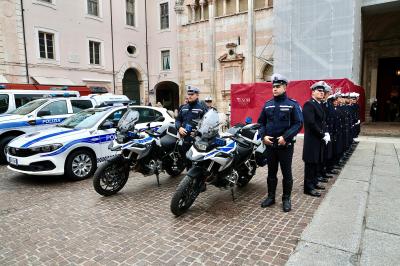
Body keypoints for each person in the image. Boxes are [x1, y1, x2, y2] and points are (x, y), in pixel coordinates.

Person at [258, 73, 303, 212]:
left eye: (278, 86)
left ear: (285, 87)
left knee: (286, 173)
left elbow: (298, 123)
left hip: (285, 145)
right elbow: (261, 123)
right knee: (271, 173)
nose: (275, 89)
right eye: (273, 86)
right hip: (270, 145)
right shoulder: (268, 105)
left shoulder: (292, 104)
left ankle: (286, 199)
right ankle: (271, 197)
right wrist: (263, 136)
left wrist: (286, 137)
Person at [302, 81, 330, 197]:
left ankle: (314, 183)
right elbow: (311, 123)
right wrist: (322, 134)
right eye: (319, 91)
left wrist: (326, 132)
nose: (322, 93)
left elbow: (322, 122)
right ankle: (308, 188)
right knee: (310, 164)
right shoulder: (309, 104)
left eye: (323, 91)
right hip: (312, 140)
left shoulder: (319, 104)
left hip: (318, 139)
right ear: (313, 92)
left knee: (316, 162)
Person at [175, 85, 208, 169]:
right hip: (185, 139)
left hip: (197, 139)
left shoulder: (201, 108)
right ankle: (189, 178)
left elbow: (207, 123)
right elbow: (178, 120)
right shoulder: (184, 108)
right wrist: (179, 128)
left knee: (198, 162)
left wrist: (200, 132)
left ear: (197, 95)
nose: (189, 96)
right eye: (188, 94)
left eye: (192, 94)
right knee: (187, 161)